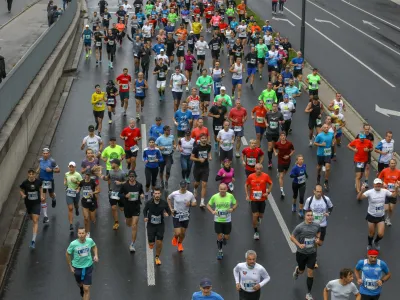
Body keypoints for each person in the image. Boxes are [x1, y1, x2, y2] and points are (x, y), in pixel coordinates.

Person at [357, 178, 397, 251]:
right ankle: (369, 244)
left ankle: (376, 241)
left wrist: (396, 189)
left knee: (381, 234)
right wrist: (362, 191)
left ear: (381, 184)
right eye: (376, 184)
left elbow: (393, 196)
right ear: (374, 184)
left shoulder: (384, 191)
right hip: (371, 215)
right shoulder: (369, 192)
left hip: (381, 216)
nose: (378, 185)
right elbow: (359, 198)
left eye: (379, 184)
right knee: (371, 233)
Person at [291, 210, 321, 300]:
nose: (310, 217)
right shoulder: (300, 227)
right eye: (308, 215)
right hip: (301, 253)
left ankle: (308, 294)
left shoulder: (316, 225)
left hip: (312, 253)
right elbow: (292, 237)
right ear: (305, 217)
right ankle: (297, 271)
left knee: (310, 273)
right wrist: (299, 244)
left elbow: (319, 232)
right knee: (301, 271)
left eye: (311, 215)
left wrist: (317, 238)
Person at [66, 228, 98, 300]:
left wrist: (96, 255)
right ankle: (81, 288)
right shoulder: (73, 244)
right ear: (77, 234)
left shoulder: (90, 241)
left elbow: (94, 246)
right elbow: (67, 254)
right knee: (80, 284)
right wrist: (70, 266)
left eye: (82, 233)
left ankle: (84, 292)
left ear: (86, 234)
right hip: (77, 268)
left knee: (86, 289)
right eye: (79, 233)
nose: (81, 235)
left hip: (88, 267)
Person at [207, 183, 238, 260]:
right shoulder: (215, 196)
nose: (222, 190)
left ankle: (224, 237)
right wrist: (212, 211)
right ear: (219, 189)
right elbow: (208, 205)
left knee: (227, 237)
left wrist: (232, 209)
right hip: (218, 220)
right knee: (219, 236)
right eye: (221, 189)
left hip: (227, 220)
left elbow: (236, 203)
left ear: (226, 189)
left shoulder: (230, 196)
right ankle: (220, 251)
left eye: (224, 189)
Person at [143, 187, 171, 265]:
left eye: (158, 193)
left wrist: (167, 214)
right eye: (155, 193)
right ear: (153, 195)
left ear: (160, 194)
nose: (157, 195)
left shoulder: (164, 203)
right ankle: (150, 242)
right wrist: (145, 217)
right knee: (151, 244)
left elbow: (169, 211)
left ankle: (157, 257)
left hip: (160, 225)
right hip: (151, 225)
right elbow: (145, 210)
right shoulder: (149, 203)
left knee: (159, 242)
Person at [245, 163, 273, 240]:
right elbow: (246, 185)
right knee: (255, 215)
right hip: (254, 200)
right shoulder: (251, 176)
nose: (259, 170)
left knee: (260, 215)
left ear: (262, 169)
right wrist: (247, 195)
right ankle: (256, 232)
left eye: (260, 169)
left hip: (262, 199)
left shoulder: (265, 176)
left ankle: (259, 219)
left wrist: (268, 192)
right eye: (257, 169)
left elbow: (271, 183)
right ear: (255, 169)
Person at [167, 180, 197, 252]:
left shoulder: (190, 194)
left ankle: (180, 243)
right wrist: (171, 208)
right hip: (176, 214)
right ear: (179, 186)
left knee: (183, 233)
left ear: (186, 186)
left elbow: (195, 203)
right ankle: (175, 237)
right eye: (182, 187)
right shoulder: (175, 193)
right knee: (178, 233)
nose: (183, 188)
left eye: (184, 187)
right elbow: (168, 198)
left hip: (185, 215)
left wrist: (190, 204)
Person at [119, 170, 145, 252]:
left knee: (134, 225)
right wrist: (125, 196)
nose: (131, 178)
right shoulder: (125, 185)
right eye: (130, 176)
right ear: (128, 177)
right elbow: (119, 194)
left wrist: (142, 195)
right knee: (129, 224)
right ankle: (126, 220)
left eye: (133, 176)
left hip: (136, 207)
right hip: (127, 207)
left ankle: (132, 244)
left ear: (135, 177)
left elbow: (141, 192)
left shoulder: (139, 185)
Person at [20, 169, 44, 249]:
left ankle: (33, 240)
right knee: (31, 217)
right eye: (29, 174)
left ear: (34, 174)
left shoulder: (38, 182)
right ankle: (30, 214)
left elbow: (41, 188)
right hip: (28, 204)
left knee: (35, 220)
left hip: (36, 203)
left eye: (32, 174)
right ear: (28, 174)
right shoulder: (25, 183)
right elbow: (21, 190)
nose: (31, 175)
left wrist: (41, 195)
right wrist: (23, 195)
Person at [101, 159, 126, 230]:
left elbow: (127, 182)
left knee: (121, 209)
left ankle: (127, 214)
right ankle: (116, 222)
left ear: (117, 164)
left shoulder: (122, 173)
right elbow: (106, 178)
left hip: (120, 193)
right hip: (112, 192)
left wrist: (120, 183)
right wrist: (100, 175)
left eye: (112, 163)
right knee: (113, 207)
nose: (111, 165)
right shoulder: (110, 171)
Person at [37, 147, 60, 223]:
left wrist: (51, 170)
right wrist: (37, 171)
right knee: (43, 198)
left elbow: (58, 170)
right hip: (41, 180)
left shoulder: (52, 161)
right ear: (42, 154)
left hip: (49, 181)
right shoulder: (40, 160)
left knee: (51, 195)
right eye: (44, 153)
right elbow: (40, 166)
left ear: (49, 154)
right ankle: (46, 217)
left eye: (47, 153)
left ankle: (54, 198)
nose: (45, 155)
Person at [191, 134, 212, 207]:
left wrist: (210, 156)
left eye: (205, 138)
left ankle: (202, 202)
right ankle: (195, 189)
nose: (204, 139)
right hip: (197, 167)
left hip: (205, 167)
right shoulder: (196, 147)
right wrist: (199, 159)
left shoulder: (209, 146)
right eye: (202, 138)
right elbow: (191, 158)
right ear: (200, 139)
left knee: (204, 184)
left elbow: (209, 152)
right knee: (197, 183)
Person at [378, 159, 400, 226]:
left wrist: (398, 183)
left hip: (394, 192)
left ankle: (388, 219)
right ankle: (380, 218)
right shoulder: (385, 170)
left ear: (396, 164)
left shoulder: (398, 172)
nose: (393, 164)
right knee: (386, 208)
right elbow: (379, 179)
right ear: (389, 164)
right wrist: (383, 183)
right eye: (391, 163)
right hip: (385, 192)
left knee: (391, 209)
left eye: (394, 163)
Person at [314, 124, 334, 191]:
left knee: (327, 168)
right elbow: (315, 143)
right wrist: (321, 144)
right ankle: (318, 177)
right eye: (324, 127)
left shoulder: (331, 134)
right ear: (322, 128)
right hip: (320, 153)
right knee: (319, 167)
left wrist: (333, 143)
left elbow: (333, 138)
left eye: (327, 127)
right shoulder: (319, 135)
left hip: (328, 153)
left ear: (328, 128)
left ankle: (326, 181)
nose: (326, 128)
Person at [79, 170, 99, 238]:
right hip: (84, 201)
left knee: (92, 218)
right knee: (86, 218)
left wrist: (93, 193)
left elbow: (98, 190)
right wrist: (77, 190)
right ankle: (87, 232)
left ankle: (93, 219)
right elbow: (79, 187)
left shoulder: (93, 182)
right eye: (86, 175)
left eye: (88, 175)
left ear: (90, 175)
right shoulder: (82, 182)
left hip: (92, 201)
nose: (87, 176)